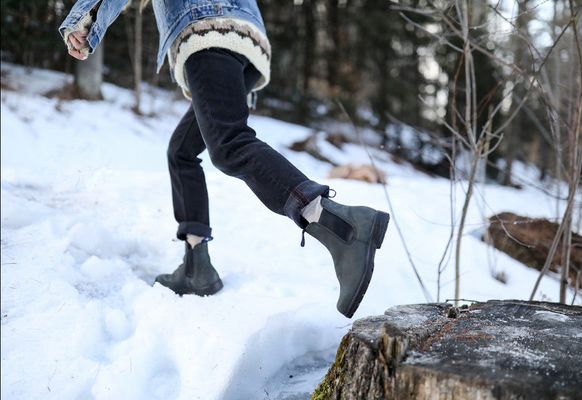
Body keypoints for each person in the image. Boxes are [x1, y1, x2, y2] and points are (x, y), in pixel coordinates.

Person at [59, 0, 389, 318]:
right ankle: (197, 266)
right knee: (182, 152)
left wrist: (86, 20)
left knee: (229, 142)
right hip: (244, 37)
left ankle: (339, 224)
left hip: (207, 28)